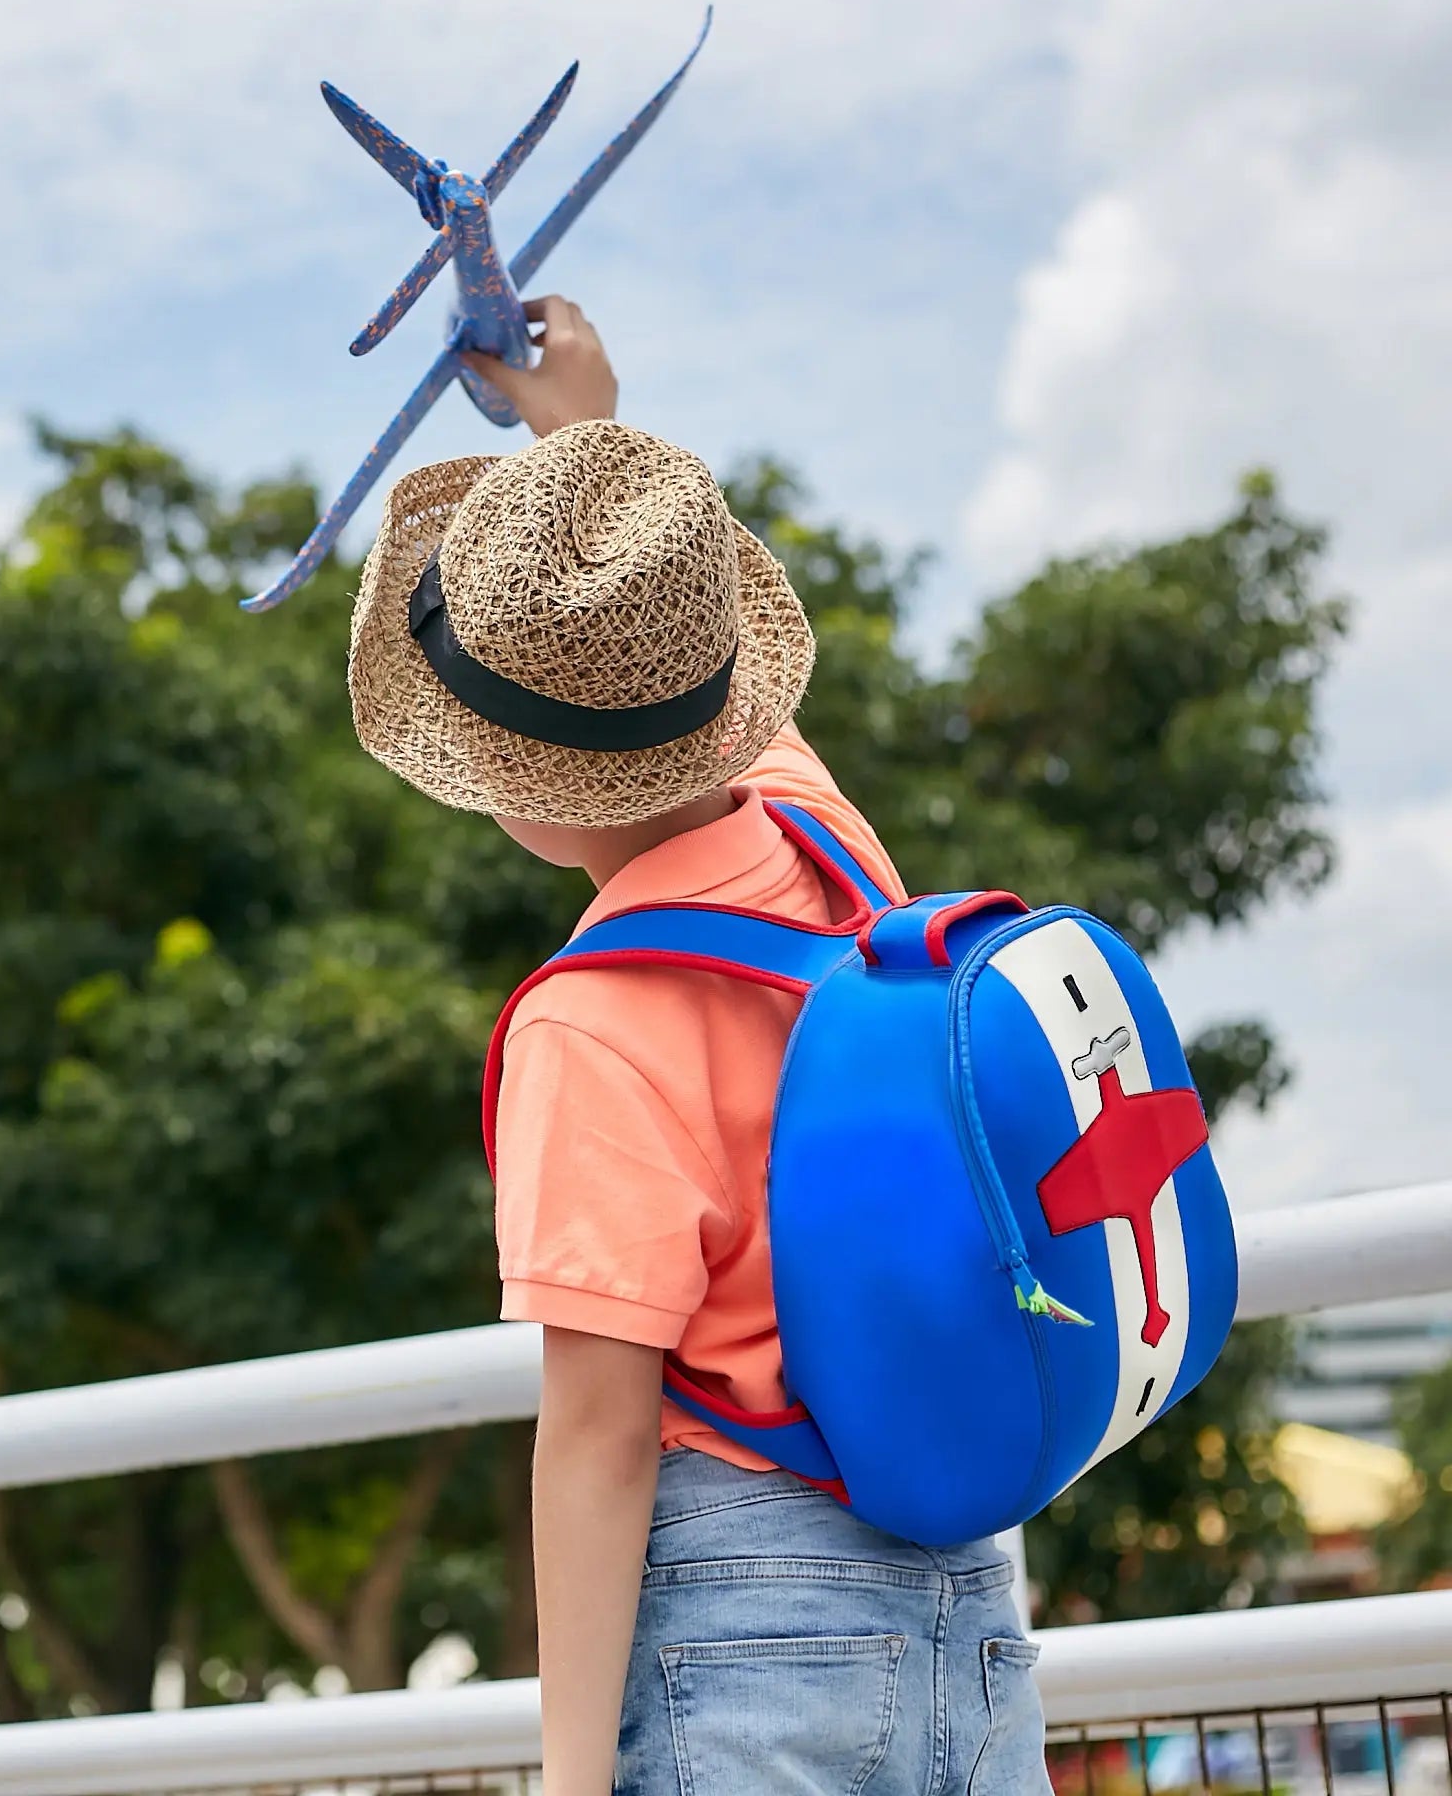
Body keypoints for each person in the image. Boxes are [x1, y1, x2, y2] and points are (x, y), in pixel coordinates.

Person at [346, 296, 1046, 1796]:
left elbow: (597, 1442)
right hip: (965, 1607)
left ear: (516, 791)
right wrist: (583, 434)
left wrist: (570, 1778)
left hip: (747, 1630)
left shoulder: (591, 1026)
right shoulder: (825, 841)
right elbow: (649, 639)